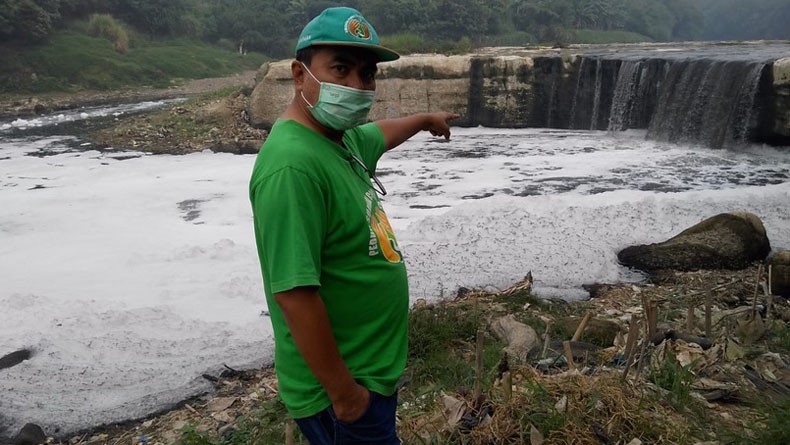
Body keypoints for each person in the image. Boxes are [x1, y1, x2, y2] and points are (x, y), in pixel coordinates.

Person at [249, 6, 458, 444]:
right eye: (340, 69)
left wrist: (423, 121)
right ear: (299, 74)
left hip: (368, 376)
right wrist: (347, 398)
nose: (357, 86)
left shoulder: (336, 140)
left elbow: (380, 133)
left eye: (367, 75)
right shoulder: (293, 166)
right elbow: (294, 294)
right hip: (342, 396)